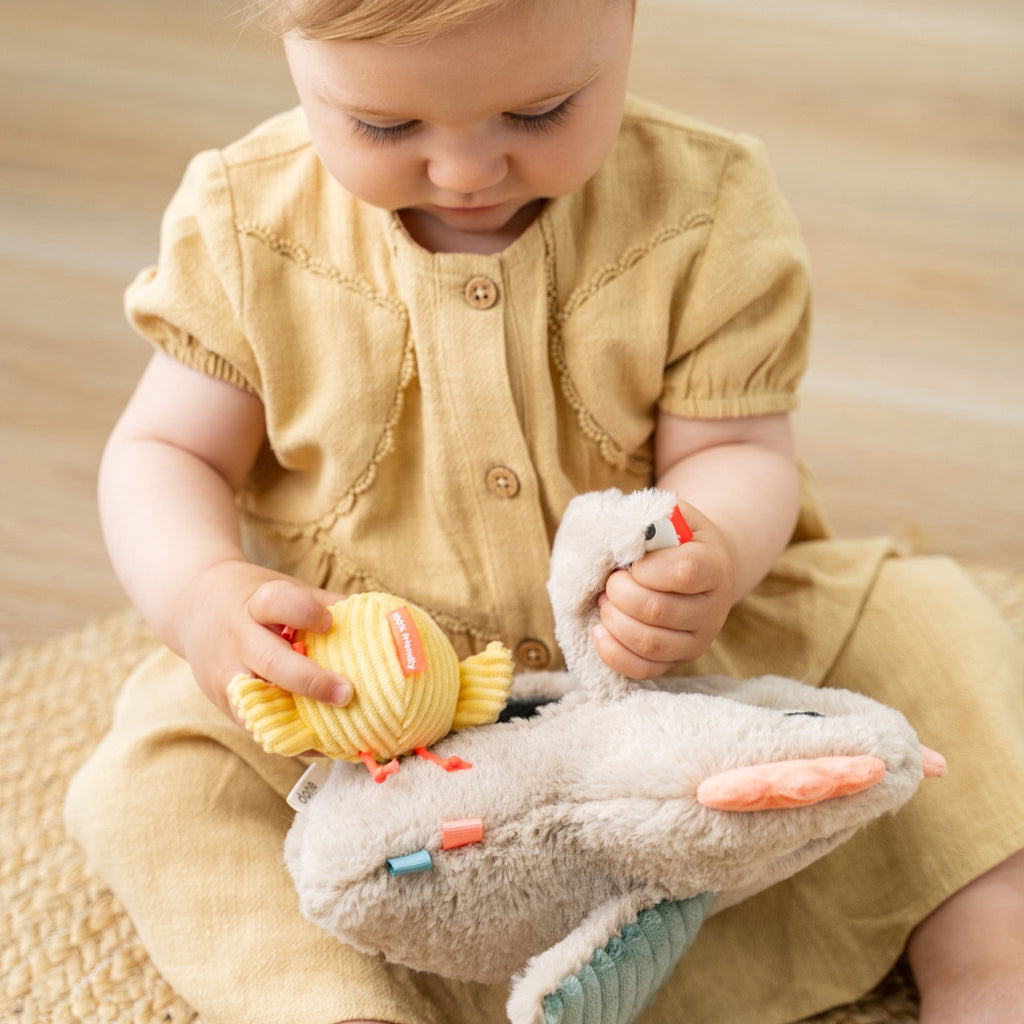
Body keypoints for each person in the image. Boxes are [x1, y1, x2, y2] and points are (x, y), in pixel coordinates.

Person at [66, 0, 1024, 1022]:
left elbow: (737, 448)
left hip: (668, 692)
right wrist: (202, 591)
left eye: (541, 111)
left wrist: (714, 551)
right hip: (362, 722)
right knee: (149, 781)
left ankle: (988, 960)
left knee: (932, 630)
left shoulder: (704, 208)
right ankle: (329, 1002)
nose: (467, 170)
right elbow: (165, 451)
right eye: (387, 129)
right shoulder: (244, 223)